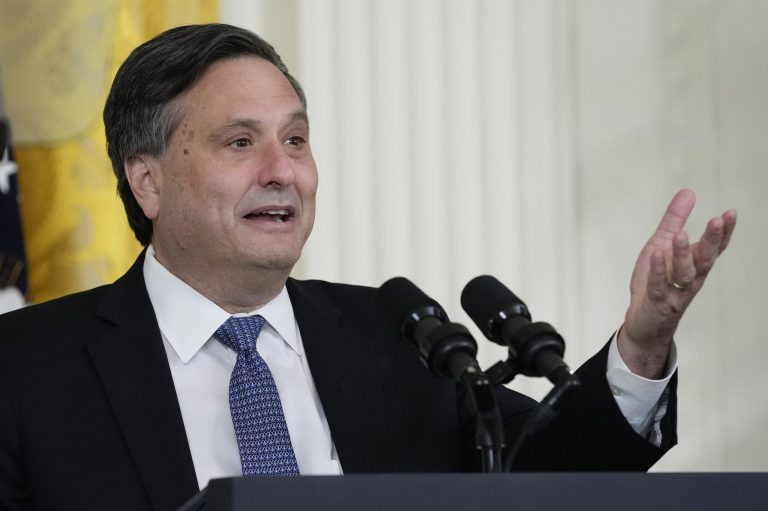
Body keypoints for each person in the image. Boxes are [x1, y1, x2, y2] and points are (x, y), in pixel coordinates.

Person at [0, 23, 736, 511]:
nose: (282, 171)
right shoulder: (25, 370)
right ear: (148, 180)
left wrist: (641, 347)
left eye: (295, 140)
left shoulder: (402, 342)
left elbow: (564, 473)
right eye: (239, 142)